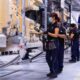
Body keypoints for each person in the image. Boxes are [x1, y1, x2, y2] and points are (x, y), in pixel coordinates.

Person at [45, 13, 59, 78]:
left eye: (50, 17)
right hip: (49, 42)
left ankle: (54, 72)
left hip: (53, 43)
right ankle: (52, 71)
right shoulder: (50, 25)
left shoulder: (56, 25)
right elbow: (47, 32)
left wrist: (48, 33)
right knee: (47, 58)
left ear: (54, 17)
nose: (49, 18)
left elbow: (56, 35)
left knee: (53, 58)